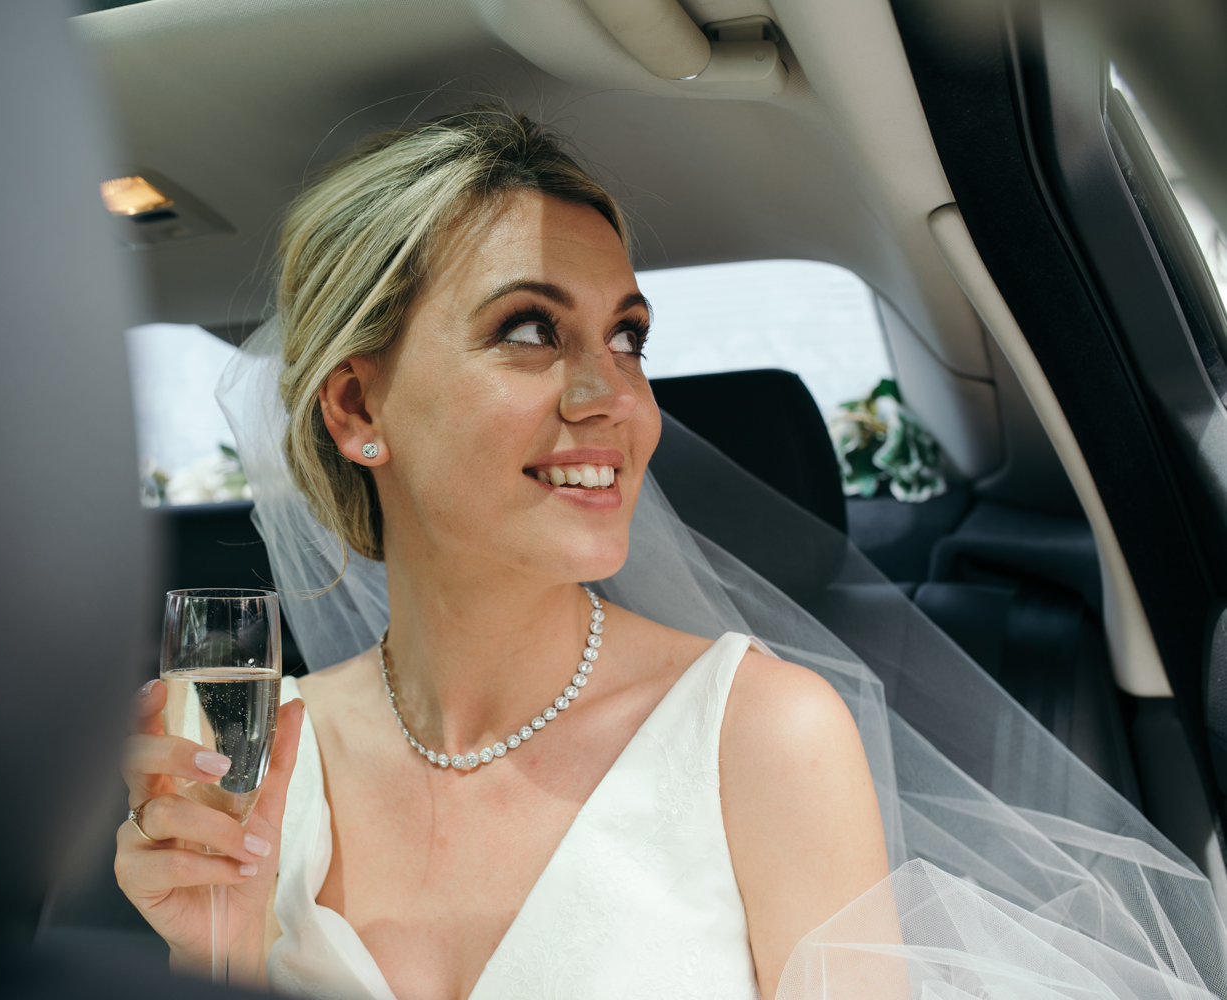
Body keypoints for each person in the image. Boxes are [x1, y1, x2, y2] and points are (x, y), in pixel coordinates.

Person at [116, 106, 1226, 1000]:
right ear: (359, 405)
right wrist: (210, 947)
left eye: (627, 337)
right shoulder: (244, 762)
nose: (616, 399)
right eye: (531, 329)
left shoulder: (762, 735)